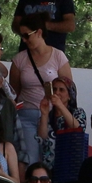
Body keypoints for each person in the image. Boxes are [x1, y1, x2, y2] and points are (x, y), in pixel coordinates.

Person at [10, 13, 73, 168]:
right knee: (29, 161)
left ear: (38, 32)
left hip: (53, 116)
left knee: (52, 162)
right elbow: (14, 93)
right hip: (26, 115)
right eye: (21, 36)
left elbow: (68, 89)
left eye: (26, 35)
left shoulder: (58, 56)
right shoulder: (20, 59)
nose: (23, 40)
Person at [37, 76, 87, 183]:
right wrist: (44, 114)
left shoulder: (78, 112)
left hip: (73, 172)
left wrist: (60, 106)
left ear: (70, 94)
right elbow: (42, 137)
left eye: (61, 90)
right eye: (55, 89)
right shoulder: (50, 114)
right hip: (52, 171)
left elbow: (77, 127)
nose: (57, 93)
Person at [11, 0, 75, 52]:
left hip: (53, 53)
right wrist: (27, 33)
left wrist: (44, 26)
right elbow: (15, 24)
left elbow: (70, 26)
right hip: (27, 53)